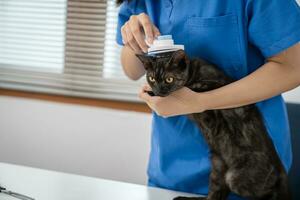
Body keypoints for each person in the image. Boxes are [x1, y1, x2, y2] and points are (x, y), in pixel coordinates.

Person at [116, 0, 300, 199]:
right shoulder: (141, 2)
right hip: (170, 171)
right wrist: (135, 42)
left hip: (249, 168)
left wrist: (201, 102)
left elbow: (293, 67)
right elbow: (132, 71)